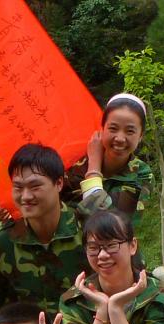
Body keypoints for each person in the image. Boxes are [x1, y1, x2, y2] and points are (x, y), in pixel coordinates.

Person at [0, 144, 89, 314]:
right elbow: (2, 307)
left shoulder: (89, 231)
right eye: (18, 187)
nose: (25, 196)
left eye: (35, 186)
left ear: (59, 183)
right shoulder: (2, 244)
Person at [62, 93, 155, 228]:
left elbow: (110, 226)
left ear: (140, 136)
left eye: (130, 131)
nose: (120, 138)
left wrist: (94, 169)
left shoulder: (142, 174)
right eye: (113, 128)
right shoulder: (74, 162)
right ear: (102, 128)